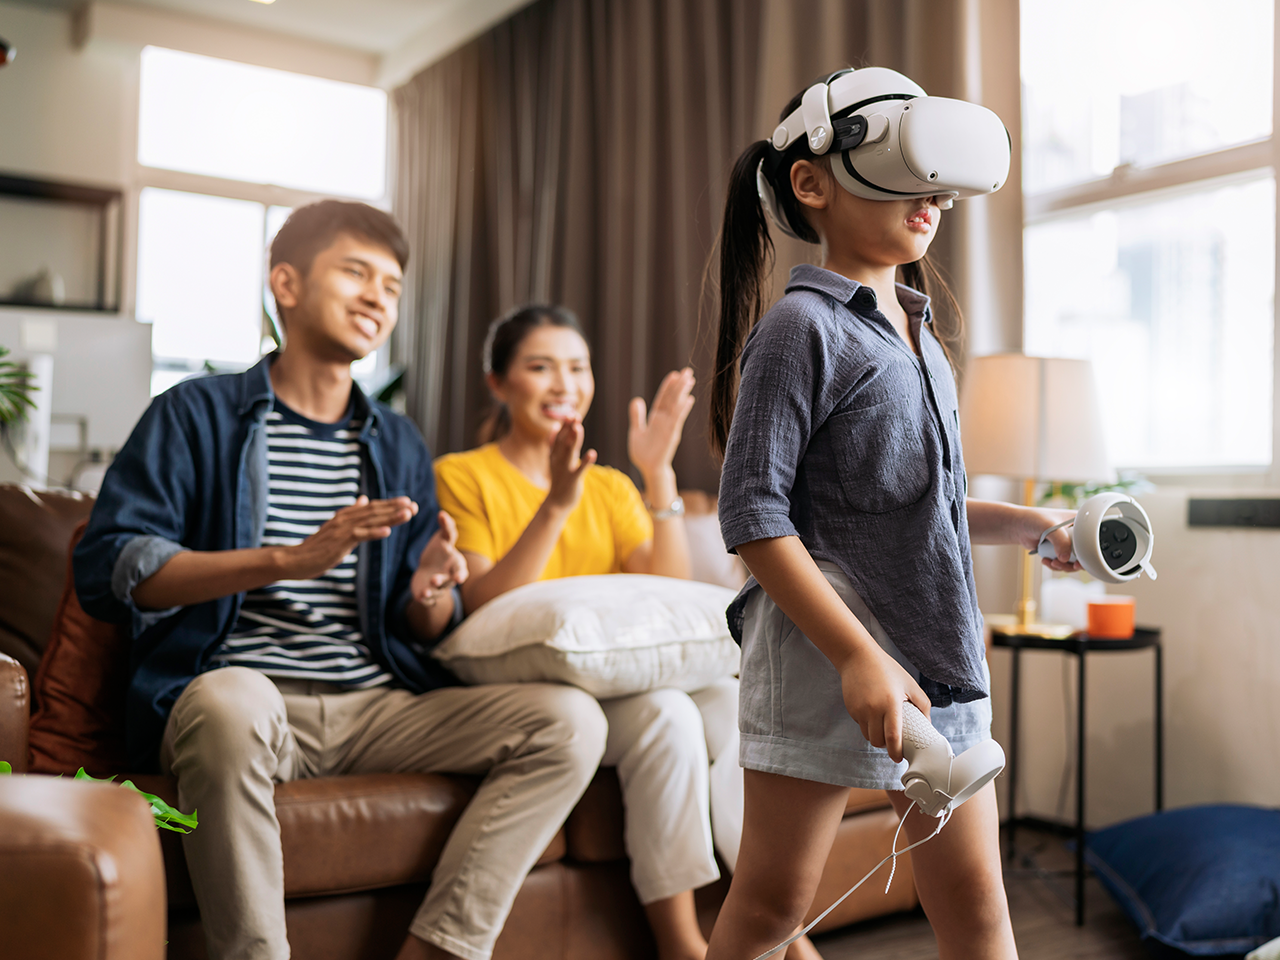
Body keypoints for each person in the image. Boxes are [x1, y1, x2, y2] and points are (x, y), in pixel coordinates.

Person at [73, 201, 609, 960]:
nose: (377, 299)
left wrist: (430, 592)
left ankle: (440, 948)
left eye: (391, 287)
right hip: (248, 692)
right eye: (355, 273)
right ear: (285, 284)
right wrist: (285, 559)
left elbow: (430, 619)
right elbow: (114, 566)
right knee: (228, 705)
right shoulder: (195, 415)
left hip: (376, 703)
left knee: (570, 721)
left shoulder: (396, 441)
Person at [702, 72, 1081, 960]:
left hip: (937, 652)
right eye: (909, 180)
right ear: (812, 182)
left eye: (938, 187)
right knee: (770, 909)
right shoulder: (801, 330)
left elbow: (925, 506)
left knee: (979, 905)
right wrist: (856, 656)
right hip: (825, 654)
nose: (933, 202)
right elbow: (752, 513)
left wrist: (1031, 526)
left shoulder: (922, 337)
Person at [432, 305, 821, 960]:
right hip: (534, 686)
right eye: (540, 367)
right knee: (670, 714)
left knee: (726, 705)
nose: (564, 383)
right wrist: (556, 504)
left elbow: (665, 584)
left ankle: (781, 930)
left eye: (577, 367)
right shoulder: (462, 475)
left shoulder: (610, 488)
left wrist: (658, 474)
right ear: (498, 383)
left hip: (620, 681)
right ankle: (681, 943)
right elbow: (481, 602)